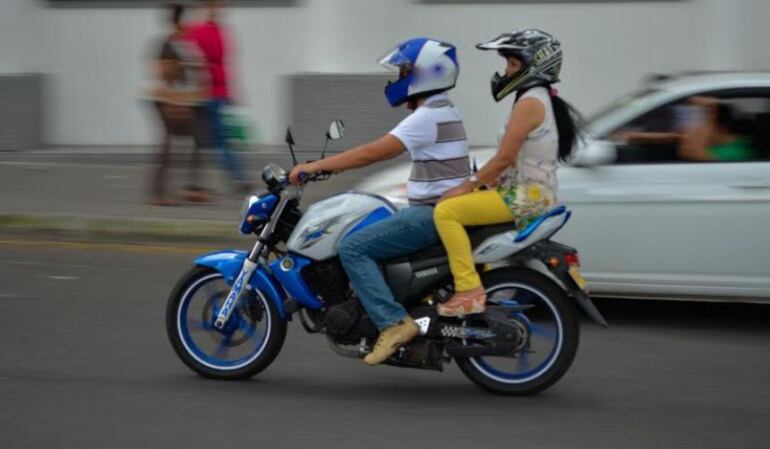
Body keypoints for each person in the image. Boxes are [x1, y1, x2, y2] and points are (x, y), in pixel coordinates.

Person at [289, 38, 469, 365]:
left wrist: (313, 167)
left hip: (430, 215)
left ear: (426, 74)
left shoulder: (427, 116)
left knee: (353, 247)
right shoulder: (443, 109)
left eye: (404, 71)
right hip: (435, 210)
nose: (398, 78)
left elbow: (374, 152)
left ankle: (392, 323)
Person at [433, 29, 582, 317]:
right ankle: (483, 285)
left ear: (534, 65)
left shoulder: (530, 104)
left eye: (512, 65)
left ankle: (467, 290)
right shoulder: (534, 99)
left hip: (525, 198)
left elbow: (504, 158)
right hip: (527, 194)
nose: (505, 71)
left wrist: (467, 186)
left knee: (446, 212)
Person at [148, 3, 211, 205]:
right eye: (186, 19)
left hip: (184, 102)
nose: (190, 23)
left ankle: (189, 187)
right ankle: (159, 193)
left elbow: (193, 72)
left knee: (197, 140)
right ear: (177, 21)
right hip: (168, 102)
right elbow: (165, 75)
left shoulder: (185, 43)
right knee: (169, 145)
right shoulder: (168, 44)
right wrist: (173, 104)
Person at [184, 0, 249, 192]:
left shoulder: (218, 30)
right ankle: (237, 178)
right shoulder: (196, 30)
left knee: (208, 140)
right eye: (213, 6)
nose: (218, 10)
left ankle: (196, 183)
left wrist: (230, 91)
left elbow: (224, 64)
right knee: (218, 140)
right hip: (207, 93)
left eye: (219, 6)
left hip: (217, 93)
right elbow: (196, 63)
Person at [678, 99, 757, 161]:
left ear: (722, 128)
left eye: (706, 126)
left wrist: (709, 106)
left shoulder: (734, 152)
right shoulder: (721, 146)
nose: (699, 131)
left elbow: (689, 151)